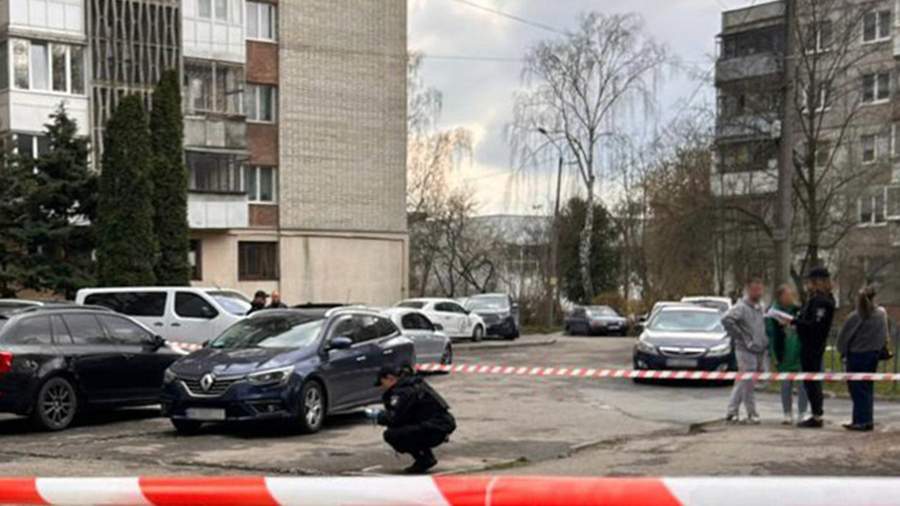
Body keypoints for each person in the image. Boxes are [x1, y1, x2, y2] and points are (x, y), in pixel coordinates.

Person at [372, 365, 456, 473]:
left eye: (383, 383)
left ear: (389, 378)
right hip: (439, 424)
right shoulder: (413, 383)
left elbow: (395, 417)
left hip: (436, 426)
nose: (383, 387)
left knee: (392, 435)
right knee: (401, 429)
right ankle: (425, 456)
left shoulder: (403, 391)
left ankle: (424, 459)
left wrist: (379, 416)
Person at [836, 286, 888, 431]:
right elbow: (884, 335)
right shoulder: (881, 314)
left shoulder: (855, 316)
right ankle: (867, 419)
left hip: (856, 356)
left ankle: (860, 421)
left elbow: (843, 337)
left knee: (857, 389)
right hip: (873, 355)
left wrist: (842, 350)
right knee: (867, 388)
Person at [792, 267, 836, 428]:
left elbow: (815, 326)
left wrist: (795, 322)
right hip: (810, 344)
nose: (807, 285)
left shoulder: (822, 302)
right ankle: (816, 413)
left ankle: (817, 415)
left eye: (810, 282)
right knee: (810, 381)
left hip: (813, 345)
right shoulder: (817, 299)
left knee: (812, 381)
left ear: (817, 282)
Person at [722, 278, 769, 424]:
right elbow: (726, 319)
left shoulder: (761, 307)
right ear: (748, 290)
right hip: (745, 349)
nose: (758, 293)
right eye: (755, 290)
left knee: (743, 381)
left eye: (760, 289)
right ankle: (751, 413)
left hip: (759, 349)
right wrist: (741, 336)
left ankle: (732, 411)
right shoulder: (741, 307)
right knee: (747, 381)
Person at [766, 284, 808, 425]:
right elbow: (772, 336)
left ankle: (802, 412)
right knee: (786, 385)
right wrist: (775, 355)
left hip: (799, 351)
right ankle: (787, 413)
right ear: (781, 297)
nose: (791, 298)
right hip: (784, 354)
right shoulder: (773, 314)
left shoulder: (797, 310)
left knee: (802, 384)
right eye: (788, 295)